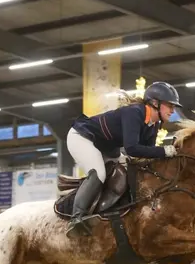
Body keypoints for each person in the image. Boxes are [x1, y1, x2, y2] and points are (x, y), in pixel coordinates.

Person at [64, 81, 182, 237]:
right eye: (170, 105)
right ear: (155, 103)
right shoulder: (134, 113)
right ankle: (76, 218)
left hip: (106, 147)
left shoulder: (153, 125)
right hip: (82, 137)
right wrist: (165, 151)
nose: (173, 110)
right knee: (99, 173)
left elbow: (145, 157)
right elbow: (132, 149)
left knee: (127, 171)